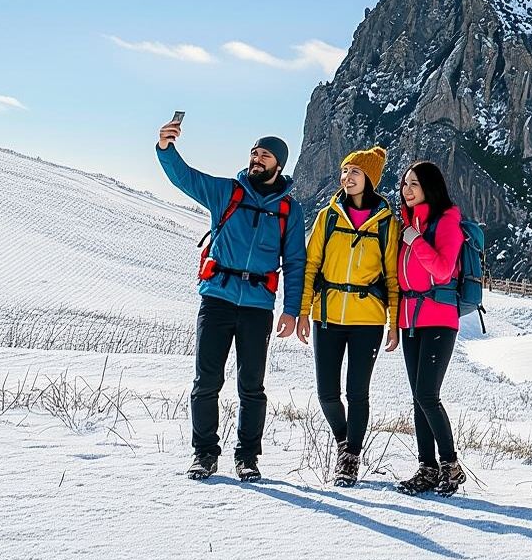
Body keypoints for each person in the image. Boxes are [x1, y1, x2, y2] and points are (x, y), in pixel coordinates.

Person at [156, 121, 305, 482]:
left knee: (251, 386)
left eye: (264, 155)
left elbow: (296, 261)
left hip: (258, 307)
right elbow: (185, 178)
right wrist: (165, 148)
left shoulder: (289, 210)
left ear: (278, 165)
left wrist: (292, 309)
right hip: (217, 299)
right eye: (254, 153)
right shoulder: (227, 192)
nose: (256, 159)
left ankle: (247, 458)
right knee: (206, 381)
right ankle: (204, 454)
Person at [293, 146, 400, 487]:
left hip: (367, 319)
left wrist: (393, 323)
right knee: (326, 391)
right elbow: (311, 266)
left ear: (369, 178)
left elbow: (393, 278)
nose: (347, 177)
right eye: (344, 172)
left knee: (357, 392)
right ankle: (345, 442)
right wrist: (303, 311)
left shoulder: (386, 223)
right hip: (327, 316)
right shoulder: (328, 217)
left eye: (354, 172)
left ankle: (350, 457)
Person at [394, 161, 468, 497]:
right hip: (410, 320)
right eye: (405, 184)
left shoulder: (447, 221)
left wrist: (416, 241)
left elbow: (442, 270)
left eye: (414, 184)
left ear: (430, 187)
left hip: (438, 317)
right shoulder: (408, 224)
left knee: (427, 394)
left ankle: (450, 465)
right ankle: (426, 468)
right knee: (418, 397)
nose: (407, 190)